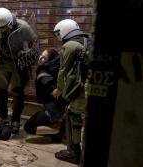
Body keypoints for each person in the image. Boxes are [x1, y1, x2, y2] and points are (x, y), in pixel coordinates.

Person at [0, 7, 38, 134]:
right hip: (5, 60)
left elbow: (34, 44)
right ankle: (2, 113)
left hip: (18, 62)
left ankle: (15, 119)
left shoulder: (23, 27)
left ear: (9, 24)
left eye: (2, 30)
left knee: (17, 91)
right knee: (0, 87)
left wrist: (26, 55)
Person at [52, 19, 87, 164]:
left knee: (73, 116)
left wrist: (59, 89)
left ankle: (73, 152)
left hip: (79, 89)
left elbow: (63, 71)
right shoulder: (85, 41)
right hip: (86, 85)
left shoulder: (70, 46)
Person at [24, 48, 66, 139]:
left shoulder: (43, 72)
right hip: (55, 108)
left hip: (52, 111)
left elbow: (51, 87)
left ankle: (59, 131)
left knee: (28, 127)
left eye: (44, 58)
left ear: (50, 61)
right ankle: (56, 129)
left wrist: (54, 90)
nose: (40, 58)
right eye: (41, 56)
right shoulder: (53, 69)